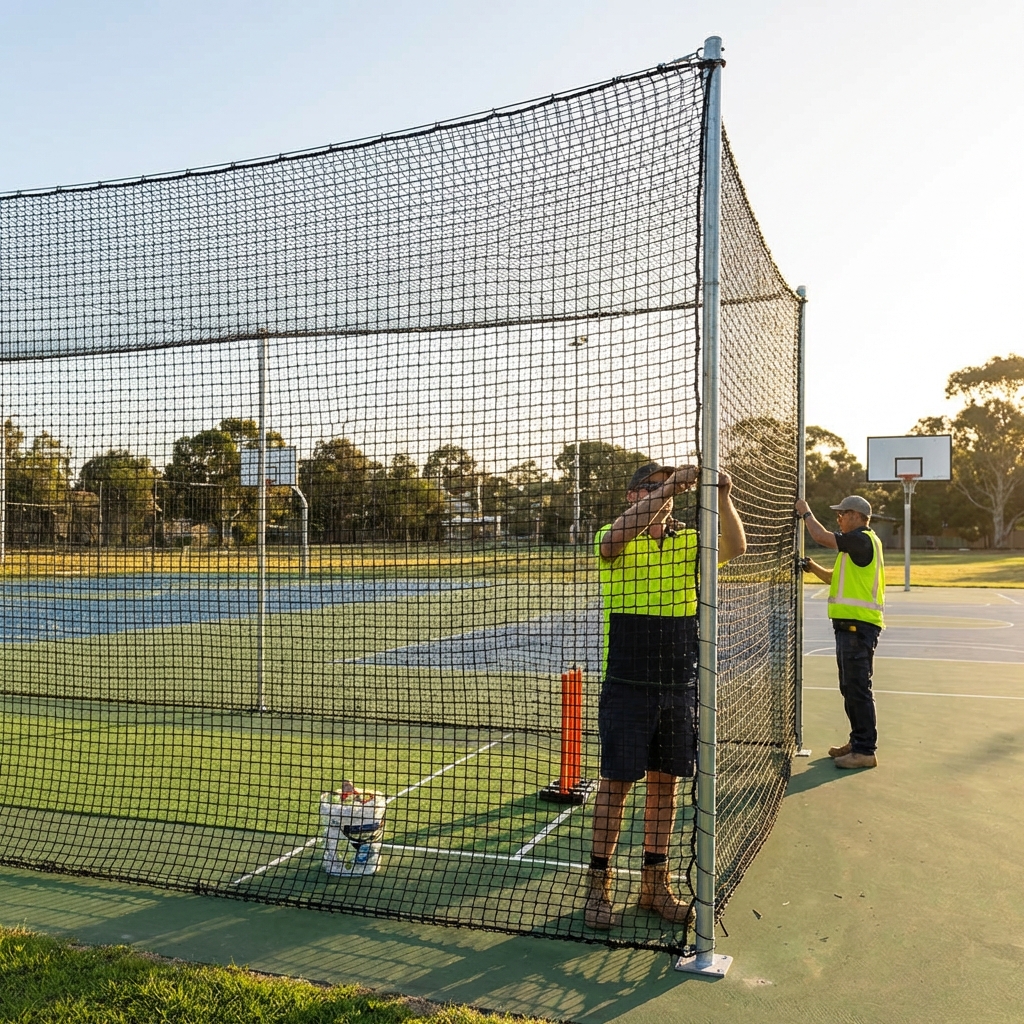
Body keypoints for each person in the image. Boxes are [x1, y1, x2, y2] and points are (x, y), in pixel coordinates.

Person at [584, 461, 746, 930]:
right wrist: (672, 486)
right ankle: (599, 887)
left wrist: (723, 494)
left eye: (670, 488)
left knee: (665, 786)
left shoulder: (690, 541)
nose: (667, 494)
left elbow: (736, 546)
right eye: (654, 487)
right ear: (634, 496)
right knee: (615, 785)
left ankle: (654, 887)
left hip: (679, 683)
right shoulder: (614, 535)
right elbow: (615, 541)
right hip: (627, 685)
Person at [795, 494, 885, 770]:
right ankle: (857, 742)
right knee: (850, 688)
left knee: (857, 689)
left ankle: (865, 750)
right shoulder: (858, 546)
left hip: (858, 628)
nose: (839, 519)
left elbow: (822, 537)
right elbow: (837, 578)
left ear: (856, 516)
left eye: (842, 514)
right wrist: (812, 568)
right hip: (851, 628)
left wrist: (805, 512)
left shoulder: (861, 539)